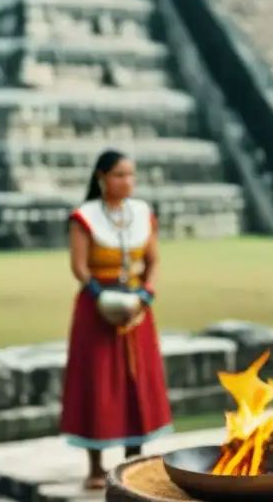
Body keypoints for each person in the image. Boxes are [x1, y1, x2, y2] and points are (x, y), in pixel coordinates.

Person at [59, 150, 173, 489]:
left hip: (137, 310)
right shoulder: (85, 217)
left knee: (135, 379)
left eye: (131, 175)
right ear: (101, 178)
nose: (128, 182)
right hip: (97, 309)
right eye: (120, 175)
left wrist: (145, 294)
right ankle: (95, 467)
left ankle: (131, 461)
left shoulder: (142, 213)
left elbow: (152, 260)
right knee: (95, 380)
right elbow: (79, 266)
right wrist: (101, 296)